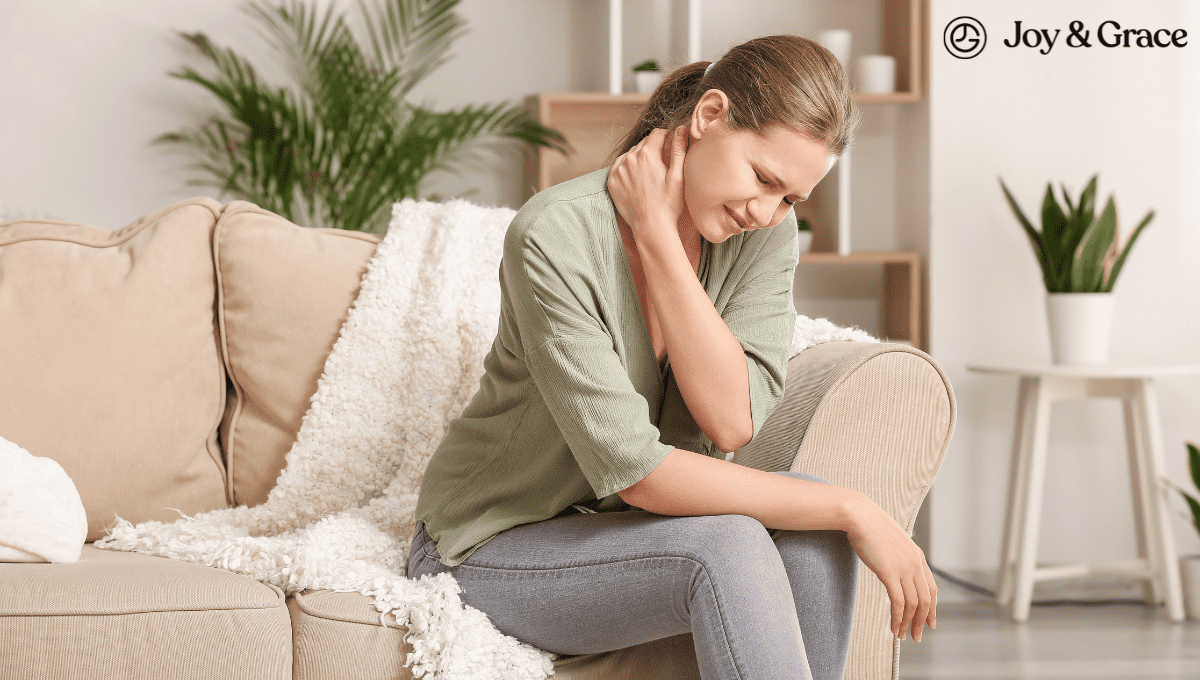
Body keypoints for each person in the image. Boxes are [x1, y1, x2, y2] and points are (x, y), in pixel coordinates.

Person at [410, 34, 936, 680]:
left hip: (628, 534)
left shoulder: (764, 235)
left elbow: (730, 422)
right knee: (737, 541)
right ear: (710, 116)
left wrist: (661, 241)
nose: (767, 211)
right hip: (492, 544)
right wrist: (857, 507)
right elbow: (639, 472)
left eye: (791, 199)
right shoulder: (554, 236)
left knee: (812, 523)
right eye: (764, 178)